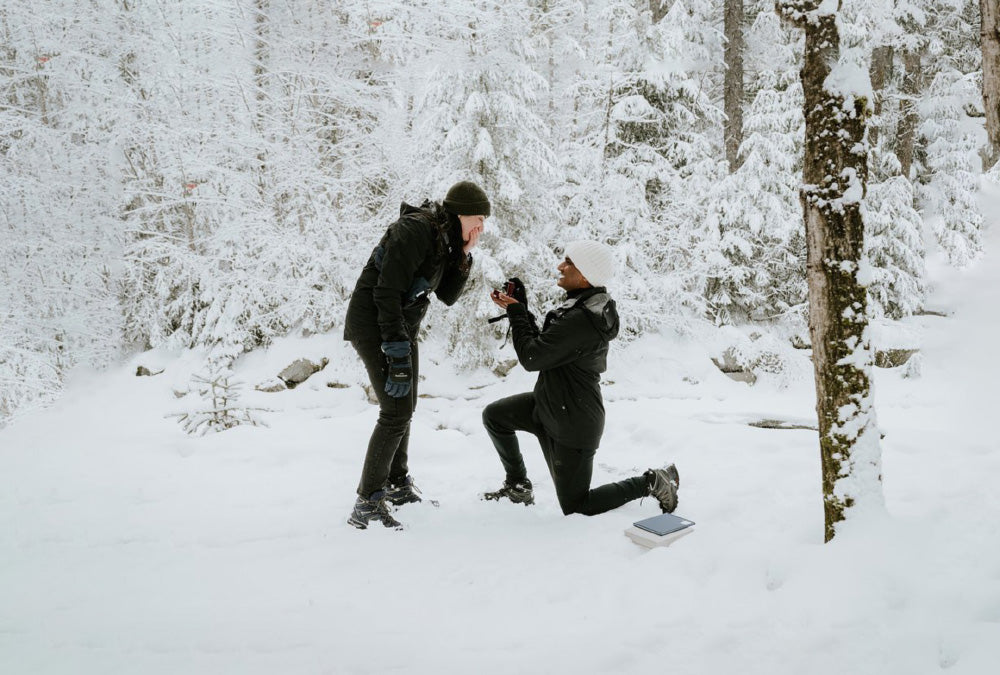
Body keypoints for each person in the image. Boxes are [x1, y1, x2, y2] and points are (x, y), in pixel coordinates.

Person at [481, 240, 679, 516]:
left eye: (568, 263)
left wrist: (516, 314)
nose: (560, 267)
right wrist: (521, 309)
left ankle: (653, 481)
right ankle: (518, 486)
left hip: (572, 423)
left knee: (576, 505)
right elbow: (548, 347)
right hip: (548, 407)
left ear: (585, 274)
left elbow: (532, 358)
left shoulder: (584, 320)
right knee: (495, 416)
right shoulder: (579, 308)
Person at [343, 181, 490, 529]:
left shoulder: (447, 239)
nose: (481, 226)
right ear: (460, 213)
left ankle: (396, 485)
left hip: (400, 327)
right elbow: (386, 291)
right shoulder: (415, 230)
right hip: (375, 323)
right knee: (395, 410)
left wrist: (466, 254)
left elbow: (448, 296)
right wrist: (395, 353)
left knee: (406, 406)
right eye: (478, 218)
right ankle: (368, 502)